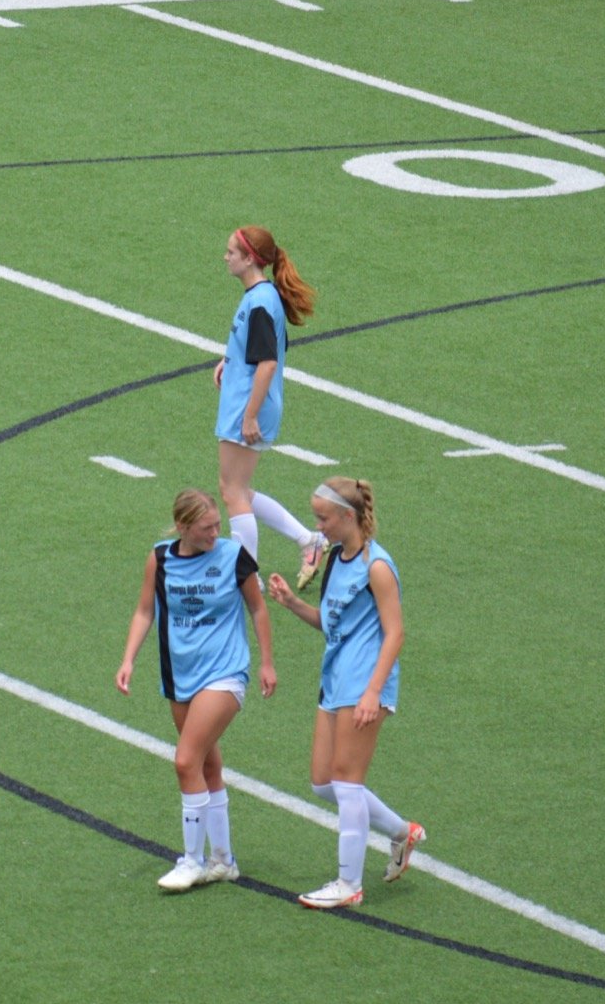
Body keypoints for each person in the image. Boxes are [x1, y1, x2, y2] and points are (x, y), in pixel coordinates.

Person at [265, 477, 424, 910]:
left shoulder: (377, 566)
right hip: (335, 678)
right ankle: (402, 832)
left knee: (348, 782)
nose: (318, 527)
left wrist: (373, 692)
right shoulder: (336, 559)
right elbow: (330, 623)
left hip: (364, 682)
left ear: (347, 516)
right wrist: (291, 603)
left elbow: (395, 633)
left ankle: (348, 884)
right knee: (323, 782)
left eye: (323, 518)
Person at [117, 488, 278, 892]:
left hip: (224, 673)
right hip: (180, 676)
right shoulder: (160, 559)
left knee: (186, 761)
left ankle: (192, 861)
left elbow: (258, 608)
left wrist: (266, 663)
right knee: (207, 765)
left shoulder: (234, 557)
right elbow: (145, 611)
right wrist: (128, 659)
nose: (215, 533)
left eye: (217, 525)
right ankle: (223, 860)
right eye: (207, 528)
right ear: (182, 527)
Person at [214, 225, 329, 587]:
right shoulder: (261, 297)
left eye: (232, 252)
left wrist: (249, 415)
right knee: (238, 489)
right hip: (245, 403)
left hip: (247, 408)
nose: (225, 257)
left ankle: (247, 577)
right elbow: (263, 349)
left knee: (232, 491)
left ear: (250, 259)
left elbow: (267, 363)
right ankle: (308, 540)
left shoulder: (261, 301)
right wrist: (228, 361)